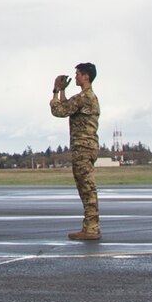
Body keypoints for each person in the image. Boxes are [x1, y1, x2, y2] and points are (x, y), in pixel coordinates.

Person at [50, 62, 101, 241]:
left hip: (83, 148)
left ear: (86, 76)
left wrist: (55, 91)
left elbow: (59, 111)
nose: (76, 77)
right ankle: (89, 227)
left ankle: (92, 229)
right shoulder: (86, 97)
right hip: (86, 147)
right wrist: (63, 92)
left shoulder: (84, 97)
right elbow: (68, 107)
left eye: (78, 74)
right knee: (84, 187)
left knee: (87, 188)